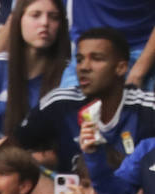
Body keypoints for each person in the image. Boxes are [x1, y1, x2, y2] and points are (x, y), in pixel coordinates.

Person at [15, 27, 155, 177]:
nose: (84, 67)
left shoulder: (147, 109)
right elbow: (10, 150)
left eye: (96, 59)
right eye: (80, 59)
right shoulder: (60, 103)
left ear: (121, 68)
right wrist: (40, 183)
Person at [0, 0, 68, 137]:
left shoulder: (67, 76)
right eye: (35, 15)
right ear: (18, 19)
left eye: (54, 17)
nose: (45, 22)